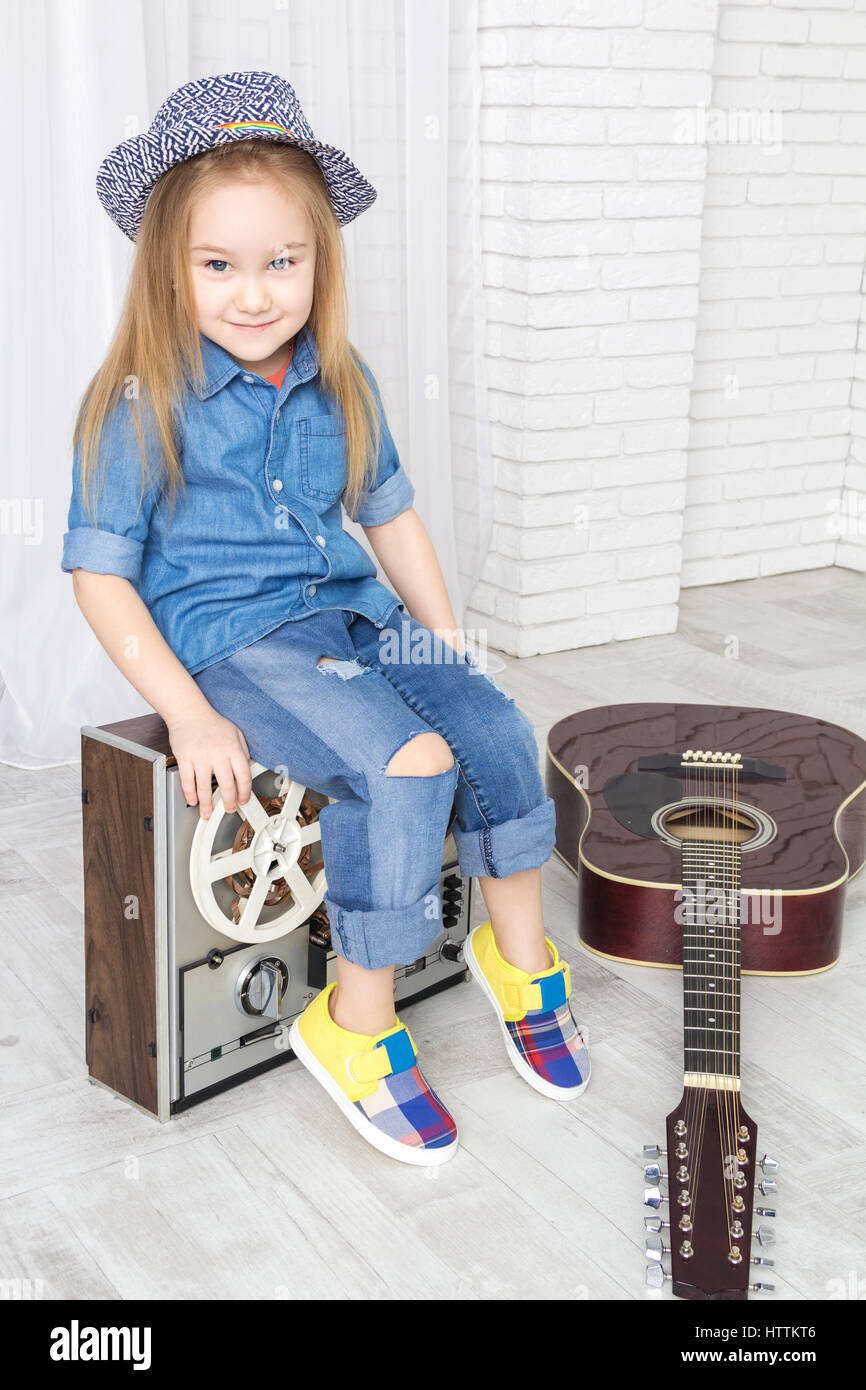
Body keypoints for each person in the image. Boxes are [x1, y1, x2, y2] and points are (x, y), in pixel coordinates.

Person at [62, 71, 589, 1167]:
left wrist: (438, 636)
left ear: (317, 261)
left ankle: (520, 959)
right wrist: (189, 713)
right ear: (169, 264)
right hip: (237, 640)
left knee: (489, 721)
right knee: (402, 762)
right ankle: (354, 1027)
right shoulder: (138, 403)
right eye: (219, 265)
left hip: (348, 612)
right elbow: (101, 577)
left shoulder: (341, 382)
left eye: (280, 263)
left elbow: (388, 515)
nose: (253, 294)